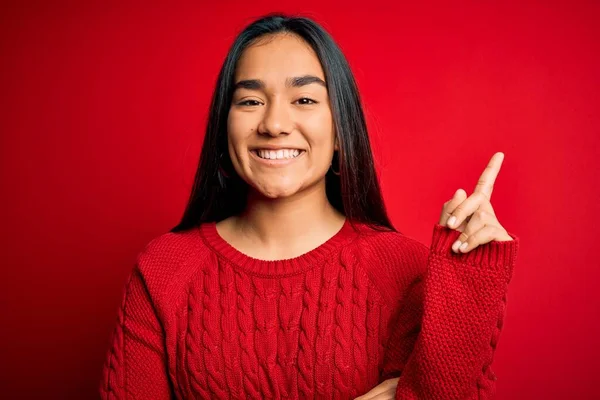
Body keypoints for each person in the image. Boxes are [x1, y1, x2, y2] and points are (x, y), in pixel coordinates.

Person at [99, 13, 518, 400]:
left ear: (340, 131)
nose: (274, 124)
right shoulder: (163, 269)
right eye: (249, 101)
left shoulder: (404, 269)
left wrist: (467, 288)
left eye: (304, 100)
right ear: (223, 127)